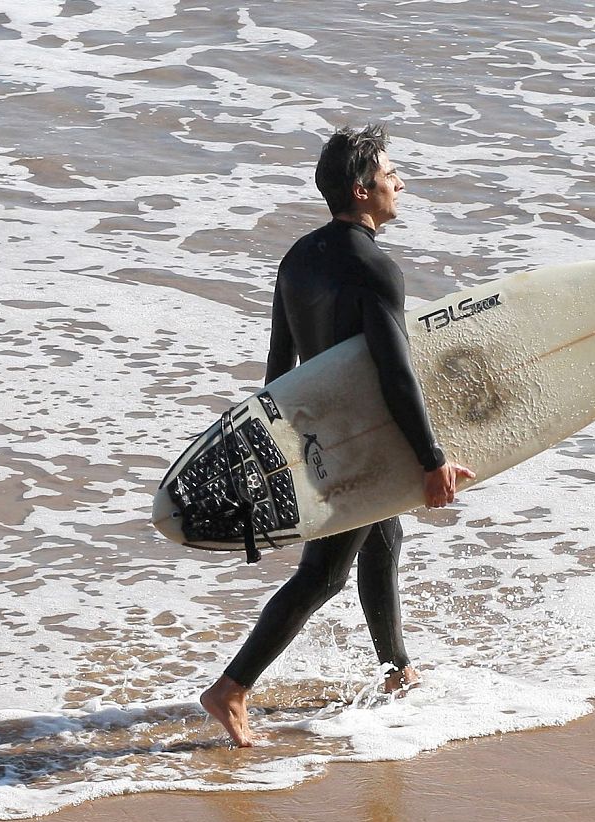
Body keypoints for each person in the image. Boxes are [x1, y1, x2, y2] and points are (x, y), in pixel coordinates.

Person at [200, 124, 475, 747]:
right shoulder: (376, 268)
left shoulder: (299, 257)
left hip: (318, 430)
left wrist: (287, 447)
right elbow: (394, 371)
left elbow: (280, 369)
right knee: (324, 574)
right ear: (362, 189)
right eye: (390, 174)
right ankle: (232, 689)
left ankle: (396, 670)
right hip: (367, 436)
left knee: (385, 537)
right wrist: (431, 459)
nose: (399, 183)